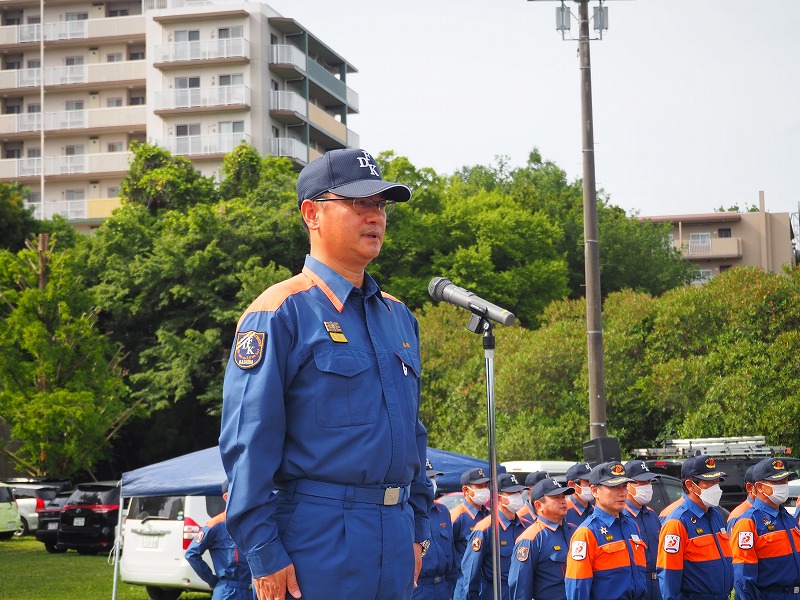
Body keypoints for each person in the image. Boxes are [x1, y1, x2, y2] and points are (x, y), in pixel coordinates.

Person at [219, 148, 434, 600]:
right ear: (312, 213)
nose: (374, 216)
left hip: (395, 536)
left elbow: (412, 434)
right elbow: (247, 445)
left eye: (380, 204)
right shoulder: (280, 312)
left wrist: (418, 530)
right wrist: (263, 552)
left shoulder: (399, 317)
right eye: (359, 203)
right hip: (317, 535)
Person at [565, 461, 647, 600]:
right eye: (614, 487)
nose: (622, 493)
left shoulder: (631, 525)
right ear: (594, 491)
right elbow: (578, 588)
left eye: (624, 486)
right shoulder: (586, 533)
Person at [656, 455, 733, 600]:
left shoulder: (715, 514)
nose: (716, 488)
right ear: (690, 485)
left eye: (717, 482)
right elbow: (668, 575)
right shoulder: (677, 521)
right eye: (709, 482)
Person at [730, 457, 800, 600]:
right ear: (759, 486)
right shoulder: (748, 522)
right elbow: (743, 577)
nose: (783, 485)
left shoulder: (787, 517)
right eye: (777, 481)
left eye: (785, 481)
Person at [458, 473, 531, 600]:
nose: (518, 497)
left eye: (519, 492)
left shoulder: (527, 527)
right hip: (496, 592)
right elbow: (471, 573)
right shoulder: (485, 529)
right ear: (499, 497)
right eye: (512, 493)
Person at [184, 480, 255, 600]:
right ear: (226, 497)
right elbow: (191, 554)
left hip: (254, 592)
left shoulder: (253, 523)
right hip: (229, 592)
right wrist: (212, 581)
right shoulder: (215, 525)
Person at [509, 478, 577, 600]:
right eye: (556, 497)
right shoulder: (530, 539)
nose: (563, 501)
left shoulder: (575, 532)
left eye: (563, 497)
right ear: (539, 505)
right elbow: (520, 588)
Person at [415, 459, 458, 600]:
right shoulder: (407, 512)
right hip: (418, 589)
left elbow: (451, 555)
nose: (432, 481)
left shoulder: (442, 511)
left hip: (442, 588)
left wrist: (450, 589)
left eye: (433, 477)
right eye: (428, 477)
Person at [623, 460, 662, 600]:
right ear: (627, 485)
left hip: (657, 586)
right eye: (642, 482)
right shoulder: (620, 517)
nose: (647, 486)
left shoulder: (652, 515)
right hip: (634, 587)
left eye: (649, 482)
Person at [451, 468, 491, 593]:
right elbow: (447, 554)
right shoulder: (456, 517)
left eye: (485, 485)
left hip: (487, 585)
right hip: (464, 584)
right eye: (479, 486)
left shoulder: (490, 515)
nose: (484, 490)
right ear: (465, 490)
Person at [564, 462, 594, 527]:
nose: (592, 485)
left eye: (593, 481)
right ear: (571, 485)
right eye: (587, 481)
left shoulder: (595, 510)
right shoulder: (563, 511)